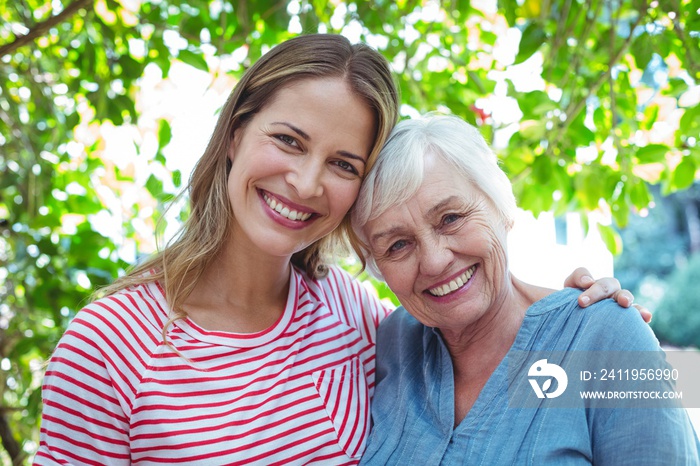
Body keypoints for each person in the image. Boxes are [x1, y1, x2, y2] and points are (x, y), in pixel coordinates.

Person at [36, 35, 639, 465]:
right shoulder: (108, 345)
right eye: (288, 141)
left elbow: (507, 363)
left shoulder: (356, 316)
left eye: (342, 164)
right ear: (235, 134)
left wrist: (603, 325)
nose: (305, 183)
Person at [352, 114, 700, 465]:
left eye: (451, 218)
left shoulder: (604, 338)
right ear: (377, 266)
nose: (434, 261)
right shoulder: (392, 342)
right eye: (397, 245)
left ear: (502, 207)